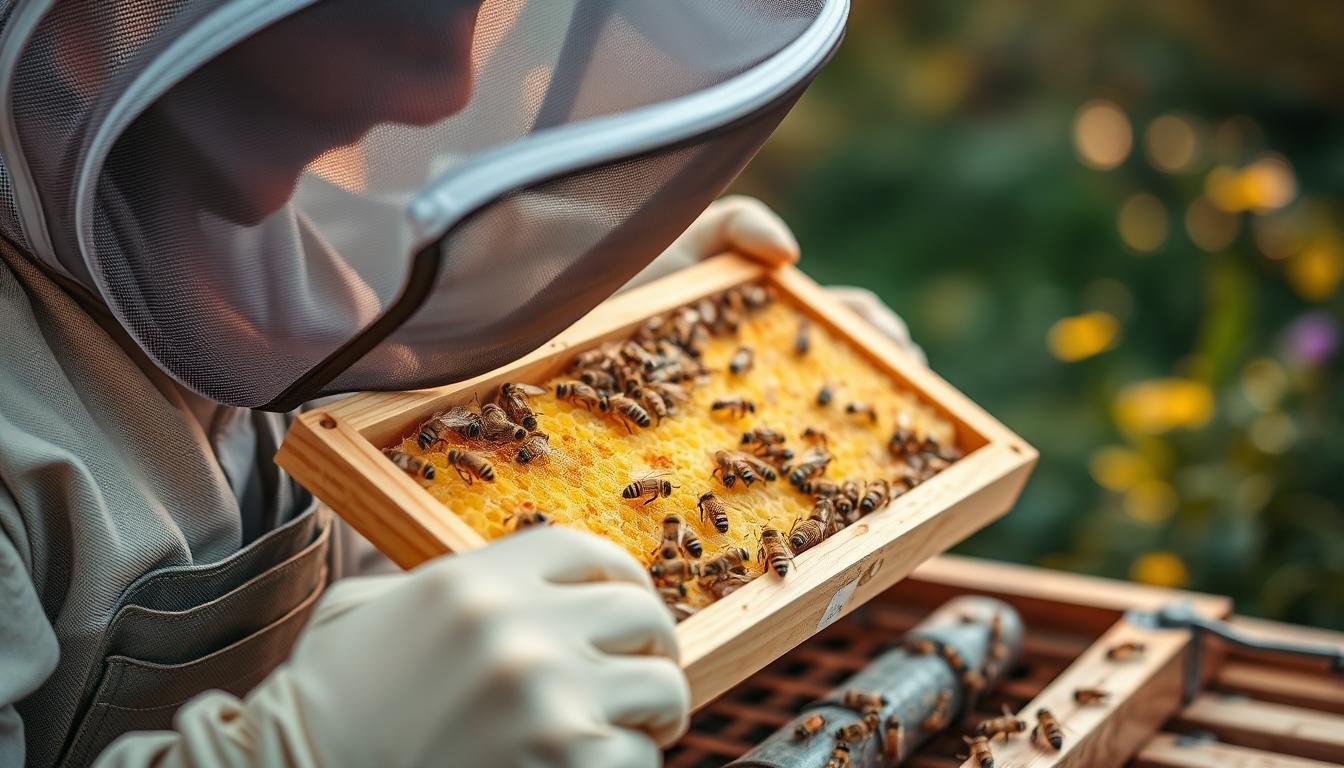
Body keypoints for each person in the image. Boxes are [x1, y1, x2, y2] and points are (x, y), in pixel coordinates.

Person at [0, 3, 919, 766]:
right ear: (105, 25)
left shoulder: (263, 253)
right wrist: (309, 753)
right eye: (389, 4)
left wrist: (635, 354)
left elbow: (369, 528)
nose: (450, 88)